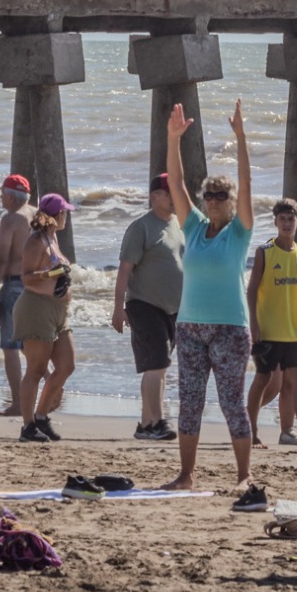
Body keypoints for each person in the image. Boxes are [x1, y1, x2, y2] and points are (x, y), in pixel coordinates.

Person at [160, 101, 257, 502]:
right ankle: (185, 475)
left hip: (231, 330)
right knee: (190, 402)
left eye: (221, 194)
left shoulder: (239, 231)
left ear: (231, 202)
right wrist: (173, 139)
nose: (214, 199)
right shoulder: (195, 227)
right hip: (190, 327)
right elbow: (176, 183)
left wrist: (241, 140)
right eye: (210, 194)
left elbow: (249, 187)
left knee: (232, 402)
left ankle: (244, 475)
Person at [246, 198, 297, 451]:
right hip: (268, 330)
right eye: (282, 219)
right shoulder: (264, 252)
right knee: (263, 380)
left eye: (290, 219)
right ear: (275, 222)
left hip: (294, 331)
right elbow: (251, 291)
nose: (286, 223)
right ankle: (250, 433)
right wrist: (253, 325)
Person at [112, 173, 183, 441]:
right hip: (144, 305)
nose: (175, 197)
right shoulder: (141, 227)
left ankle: (146, 423)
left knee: (160, 366)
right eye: (169, 192)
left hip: (173, 309)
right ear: (155, 197)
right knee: (155, 364)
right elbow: (125, 269)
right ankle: (156, 422)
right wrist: (118, 307)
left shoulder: (178, 224)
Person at [13, 193, 77, 443]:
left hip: (58, 312)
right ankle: (28, 426)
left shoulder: (53, 237)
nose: (66, 218)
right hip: (36, 308)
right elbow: (26, 277)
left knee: (67, 365)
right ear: (57, 215)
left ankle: (41, 416)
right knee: (36, 369)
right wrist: (49, 275)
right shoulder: (36, 241)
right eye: (64, 213)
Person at [0, 174, 34, 416]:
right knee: (31, 345)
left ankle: (18, 403)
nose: (0, 197)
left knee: (11, 347)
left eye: (3, 193)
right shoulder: (37, 215)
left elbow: (1, 258)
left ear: (12, 197)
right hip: (35, 286)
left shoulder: (11, 219)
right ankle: (51, 389)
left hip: (14, 286)